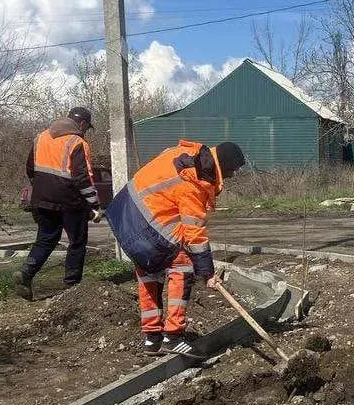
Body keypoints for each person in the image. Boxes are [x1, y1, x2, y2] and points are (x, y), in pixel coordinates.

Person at [105, 138, 248, 355]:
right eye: (234, 170)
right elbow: (194, 232)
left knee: (148, 271)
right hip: (147, 224)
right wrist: (207, 272)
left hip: (125, 218)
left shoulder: (185, 156)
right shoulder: (195, 179)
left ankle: (152, 339)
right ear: (225, 165)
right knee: (182, 266)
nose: (233, 175)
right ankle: (172, 337)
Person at [15, 106, 103, 300]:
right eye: (86, 127)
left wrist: (42, 186)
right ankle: (72, 287)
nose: (85, 131)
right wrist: (94, 204)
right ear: (82, 123)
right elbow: (82, 178)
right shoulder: (77, 142)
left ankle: (26, 273)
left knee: (46, 239)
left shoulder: (41, 137)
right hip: (70, 201)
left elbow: (30, 168)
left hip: (42, 199)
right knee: (77, 242)